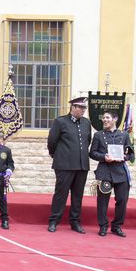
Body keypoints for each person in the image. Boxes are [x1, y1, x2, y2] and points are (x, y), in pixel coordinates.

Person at [47, 96, 92, 234]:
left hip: (81, 165)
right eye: (81, 107)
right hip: (64, 165)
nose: (83, 110)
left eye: (85, 108)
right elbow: (52, 142)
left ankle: (75, 222)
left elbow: (87, 141)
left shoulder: (86, 123)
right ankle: (54, 221)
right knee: (61, 194)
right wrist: (58, 156)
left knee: (77, 196)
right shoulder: (60, 121)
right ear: (72, 107)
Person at [89, 111, 135, 237]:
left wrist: (124, 157)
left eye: (107, 117)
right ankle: (103, 226)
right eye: (103, 117)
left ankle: (117, 226)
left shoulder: (124, 135)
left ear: (115, 119)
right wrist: (104, 157)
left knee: (122, 200)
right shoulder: (98, 135)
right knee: (102, 201)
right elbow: (92, 153)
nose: (105, 120)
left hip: (121, 173)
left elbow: (131, 154)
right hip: (104, 172)